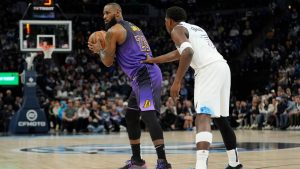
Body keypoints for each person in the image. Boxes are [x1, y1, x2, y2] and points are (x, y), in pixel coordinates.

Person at [143, 6, 243, 169]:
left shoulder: (176, 29)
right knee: (220, 119)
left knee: (202, 115)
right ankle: (234, 162)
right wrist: (154, 60)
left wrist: (177, 81)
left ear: (168, 21)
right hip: (222, 67)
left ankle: (201, 166)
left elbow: (187, 52)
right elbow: (179, 53)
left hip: (207, 70)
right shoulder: (195, 28)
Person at [88, 3, 171, 169]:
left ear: (117, 12)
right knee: (131, 117)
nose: (104, 17)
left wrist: (99, 50)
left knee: (148, 116)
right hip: (142, 76)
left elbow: (107, 62)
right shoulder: (133, 26)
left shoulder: (113, 31)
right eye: (103, 14)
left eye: (107, 13)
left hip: (144, 75)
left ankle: (163, 163)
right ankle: (137, 161)